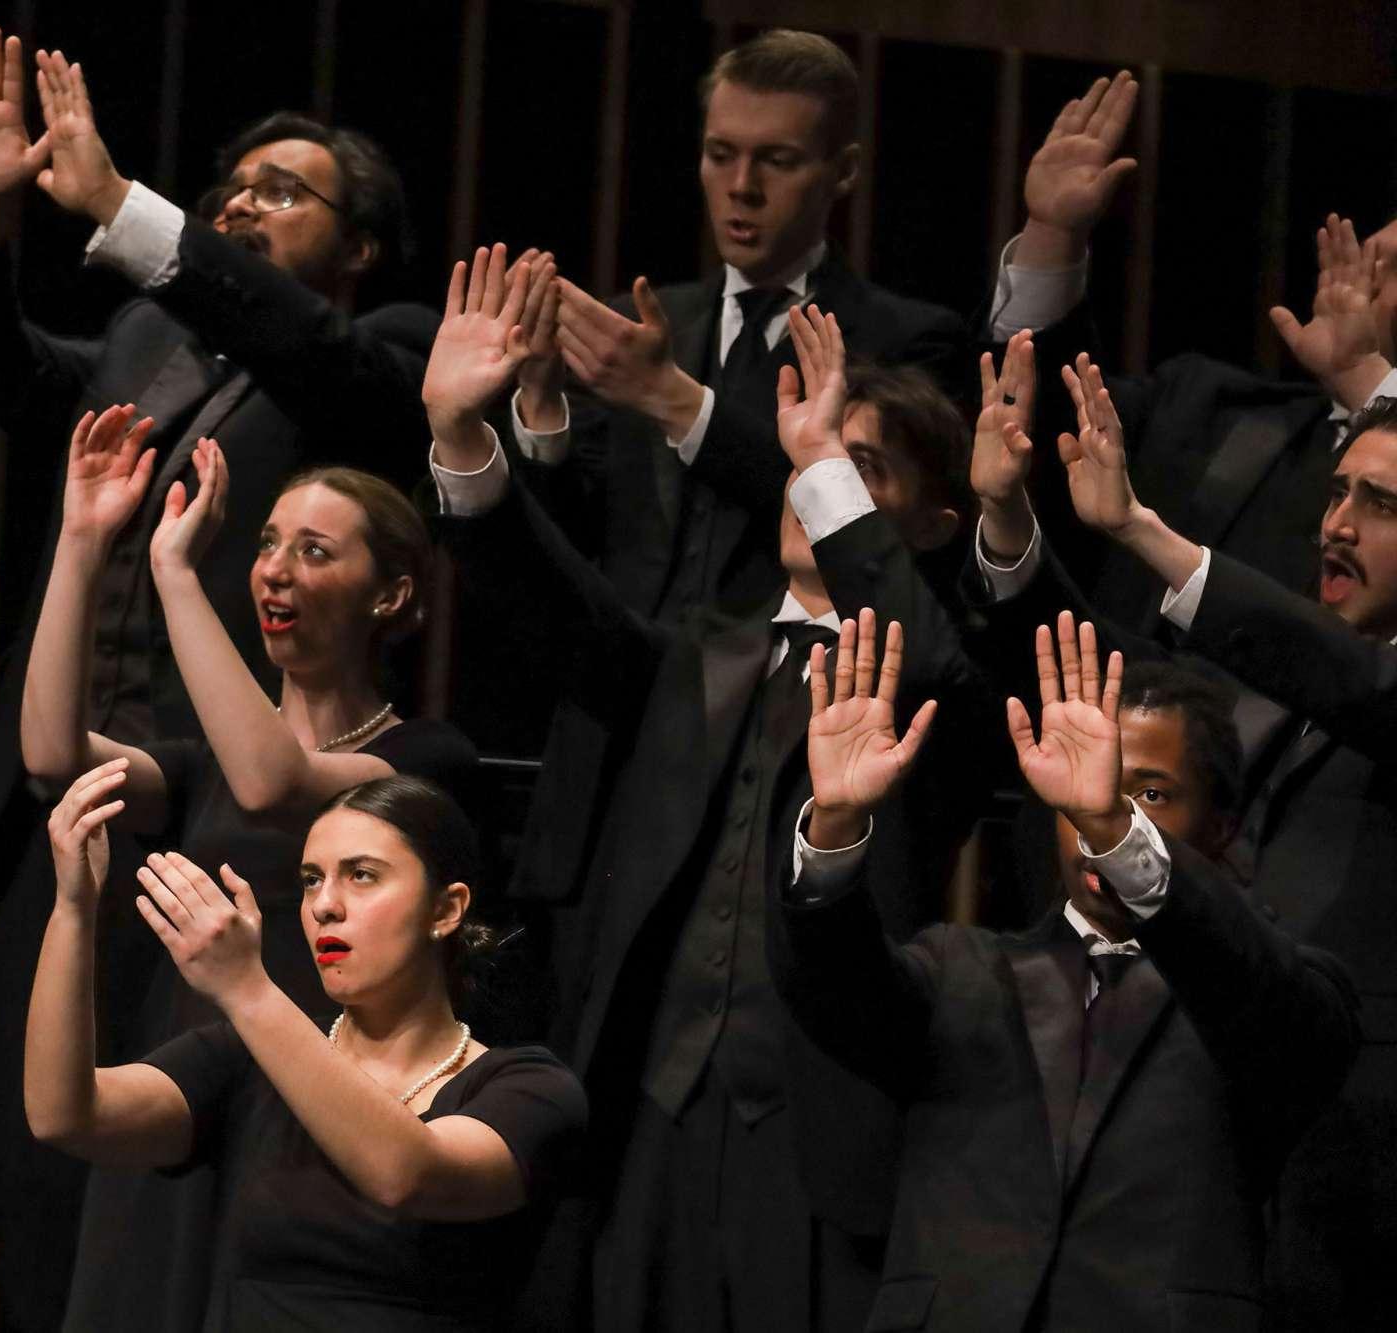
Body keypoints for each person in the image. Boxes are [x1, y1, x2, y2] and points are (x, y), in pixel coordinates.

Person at [0, 37, 439, 1319]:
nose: (243, 202)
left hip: (240, 827)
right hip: (86, 793)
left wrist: (122, 215)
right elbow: (3, 376)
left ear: (357, 245)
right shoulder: (149, 326)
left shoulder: (377, 355)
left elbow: (306, 349)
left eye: (283, 189)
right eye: (230, 187)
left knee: (181, 1165)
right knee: (47, 1145)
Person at [426, 245, 991, 1331]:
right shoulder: (697, 655)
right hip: (640, 1116)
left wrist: (820, 449)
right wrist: (460, 433)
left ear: (924, 528)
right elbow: (549, 599)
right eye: (809, 469)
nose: (815, 491)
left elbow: (927, 650)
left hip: (819, 1143)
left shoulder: (941, 682)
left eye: (864, 474)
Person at [23, 402, 478, 1330]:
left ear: (388, 594)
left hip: (302, 1115)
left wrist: (175, 571)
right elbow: (47, 753)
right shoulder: (199, 767)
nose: (275, 567)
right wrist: (83, 540)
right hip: (176, 1089)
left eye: (316, 551)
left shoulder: (423, 758)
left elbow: (276, 781)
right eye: (269, 543)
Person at [772, 612, 1358, 1332]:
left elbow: (1279, 1016)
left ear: (1222, 829)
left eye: (1149, 792)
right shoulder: (959, 968)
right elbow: (834, 989)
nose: (1094, 807)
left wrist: (1118, 833)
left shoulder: (1274, 993)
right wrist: (832, 826)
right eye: (1090, 787)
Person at [1011, 374, 1397, 1329]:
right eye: (1338, 493)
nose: (1336, 525)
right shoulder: (1270, 697)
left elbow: (1363, 687)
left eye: (1381, 504)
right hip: (1209, 1168)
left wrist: (1146, 530)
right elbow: (1100, 680)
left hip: (1363, 1183)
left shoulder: (1356, 687)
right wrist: (995, 530)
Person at [25, 769, 585, 1332]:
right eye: (312, 880)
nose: (324, 906)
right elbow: (64, 1114)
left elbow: (406, 1174)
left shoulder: (529, 1088)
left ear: (445, 910)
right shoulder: (247, 1059)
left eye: (362, 876)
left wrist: (247, 989)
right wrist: (74, 909)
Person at [503, 28, 967, 624]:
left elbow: (871, 529)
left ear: (844, 170)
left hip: (784, 698)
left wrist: (676, 402)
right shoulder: (633, 327)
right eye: (720, 155)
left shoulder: (910, 340)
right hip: (613, 698)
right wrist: (540, 403)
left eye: (777, 161)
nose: (742, 187)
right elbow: (568, 546)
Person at [986, 66, 1397, 636]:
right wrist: (1053, 237)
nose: (1368, 280)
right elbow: (1041, 417)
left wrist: (1366, 382)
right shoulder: (1204, 403)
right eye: (1369, 258)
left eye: (1392, 269)